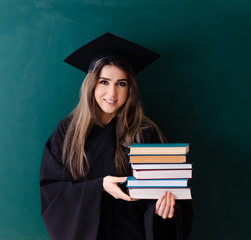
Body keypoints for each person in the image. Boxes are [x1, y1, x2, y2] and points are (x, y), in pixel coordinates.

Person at [40, 32, 193, 240]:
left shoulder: (145, 133)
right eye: (104, 82)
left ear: (130, 89)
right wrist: (99, 187)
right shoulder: (68, 133)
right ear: (91, 84)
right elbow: (54, 193)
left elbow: (168, 195)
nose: (112, 94)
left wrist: (162, 210)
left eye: (121, 83)